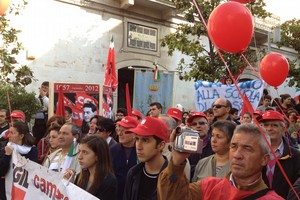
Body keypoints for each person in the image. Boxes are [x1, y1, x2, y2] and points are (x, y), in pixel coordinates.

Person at [157, 123, 283, 200]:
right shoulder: (209, 187)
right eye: (234, 146)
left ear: (264, 159)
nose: (237, 155)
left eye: (247, 149)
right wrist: (177, 160)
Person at [123, 117, 168, 200]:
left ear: (161, 145)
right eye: (137, 139)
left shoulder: (172, 178)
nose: (138, 146)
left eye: (145, 140)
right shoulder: (133, 173)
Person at [260, 110, 300, 198]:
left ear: (283, 128)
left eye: (274, 125)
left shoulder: (295, 155)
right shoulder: (256, 152)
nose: (269, 129)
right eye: (266, 125)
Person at [0, 121, 38, 200]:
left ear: (21, 136)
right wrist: (7, 155)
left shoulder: (32, 150)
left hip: (24, 190)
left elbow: (32, 171)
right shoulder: (7, 148)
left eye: (12, 133)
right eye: (8, 132)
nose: (9, 136)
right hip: (5, 190)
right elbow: (1, 171)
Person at [74, 135, 117, 200]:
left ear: (98, 156)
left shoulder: (109, 182)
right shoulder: (80, 177)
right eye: (79, 151)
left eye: (85, 152)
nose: (79, 157)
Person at [110, 116, 139, 200]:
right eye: (119, 130)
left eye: (124, 131)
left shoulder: (140, 151)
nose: (119, 134)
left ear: (134, 133)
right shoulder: (112, 150)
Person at [186, 112, 213, 178]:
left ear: (208, 126)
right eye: (194, 124)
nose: (198, 126)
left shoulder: (215, 144)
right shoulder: (186, 145)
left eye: (201, 123)